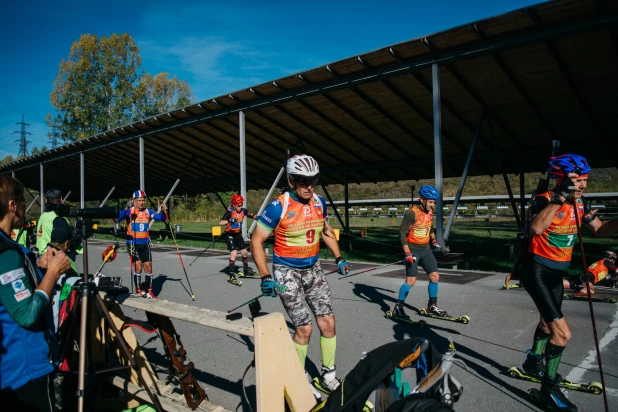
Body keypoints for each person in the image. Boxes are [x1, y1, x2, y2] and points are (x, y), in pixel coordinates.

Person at [520, 154, 618, 412]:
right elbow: (537, 228)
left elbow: (599, 229)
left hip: (555, 274)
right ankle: (548, 390)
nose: (583, 185)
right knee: (562, 333)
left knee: (545, 322)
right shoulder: (544, 200)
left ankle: (533, 361)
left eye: (585, 180)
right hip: (537, 271)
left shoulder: (581, 203)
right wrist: (560, 198)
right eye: (577, 180)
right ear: (561, 180)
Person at [251, 154, 350, 399]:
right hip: (287, 272)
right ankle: (297, 377)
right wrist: (265, 276)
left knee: (328, 322)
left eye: (313, 180)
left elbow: (325, 232)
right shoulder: (279, 206)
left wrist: (339, 257)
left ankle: (328, 375)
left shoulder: (319, 202)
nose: (309, 186)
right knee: (304, 327)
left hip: (313, 268)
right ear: (291, 180)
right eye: (303, 180)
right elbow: (256, 239)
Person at [0, 175, 72, 410]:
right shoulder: (6, 253)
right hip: (24, 369)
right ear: (12, 205)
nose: (24, 207)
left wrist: (37, 270)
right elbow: (27, 313)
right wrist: (52, 273)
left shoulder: (9, 247)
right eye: (21, 200)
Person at [391, 185, 447, 319]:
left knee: (435, 277)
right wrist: (407, 253)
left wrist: (433, 241)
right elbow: (402, 233)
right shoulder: (412, 213)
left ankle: (432, 306)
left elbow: (430, 228)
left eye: (434, 202)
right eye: (430, 201)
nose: (432, 204)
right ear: (422, 199)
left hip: (426, 249)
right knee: (411, 280)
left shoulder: (430, 212)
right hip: (413, 249)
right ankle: (398, 307)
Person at [118, 190, 166, 299]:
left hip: (145, 243)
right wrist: (126, 207)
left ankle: (149, 290)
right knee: (138, 267)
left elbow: (161, 218)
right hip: (133, 243)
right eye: (139, 200)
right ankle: (139, 289)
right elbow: (119, 218)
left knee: (148, 267)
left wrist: (164, 211)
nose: (141, 202)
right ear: (134, 200)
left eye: (143, 200)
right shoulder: (130, 211)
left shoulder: (148, 211)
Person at [36, 189, 82, 259]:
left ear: (46, 200)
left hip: (42, 254)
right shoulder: (58, 216)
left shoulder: (43, 216)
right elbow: (70, 238)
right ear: (61, 199)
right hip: (54, 255)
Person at [218, 194, 256, 281]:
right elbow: (220, 223)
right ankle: (231, 275)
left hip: (238, 234)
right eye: (238, 205)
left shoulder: (243, 211)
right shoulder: (230, 212)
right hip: (229, 235)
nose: (240, 207)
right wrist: (229, 220)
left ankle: (246, 270)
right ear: (234, 205)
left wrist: (259, 218)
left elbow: (252, 215)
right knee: (234, 253)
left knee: (245, 253)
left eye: (241, 205)